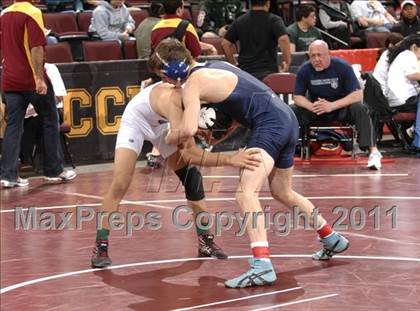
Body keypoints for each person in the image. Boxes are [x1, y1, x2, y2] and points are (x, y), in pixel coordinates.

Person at [148, 38, 349, 288]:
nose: (165, 82)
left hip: (270, 124)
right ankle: (331, 238)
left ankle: (262, 265)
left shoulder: (193, 83)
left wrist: (168, 136)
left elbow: (187, 129)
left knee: (245, 193)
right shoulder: (213, 66)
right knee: (282, 191)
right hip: (286, 119)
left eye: (164, 76)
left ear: (176, 68)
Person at [91, 82, 262, 268]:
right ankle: (101, 244)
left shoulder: (198, 103)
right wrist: (230, 159)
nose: (204, 138)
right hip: (137, 121)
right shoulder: (181, 111)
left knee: (192, 178)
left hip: (163, 123)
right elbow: (191, 155)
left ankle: (205, 240)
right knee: (121, 182)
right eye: (203, 134)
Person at [0, 0, 76, 188]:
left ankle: (8, 175)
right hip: (30, 80)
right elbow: (36, 48)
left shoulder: (4, 14)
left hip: (10, 79)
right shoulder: (32, 12)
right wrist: (39, 78)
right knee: (50, 120)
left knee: (13, 126)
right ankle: (53, 171)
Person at [292, 40, 383, 169]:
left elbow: (358, 95)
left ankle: (373, 151)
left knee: (360, 108)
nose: (316, 59)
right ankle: (284, 149)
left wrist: (332, 105)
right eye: (313, 56)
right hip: (316, 109)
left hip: (340, 108)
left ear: (328, 54)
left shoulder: (343, 66)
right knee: (291, 111)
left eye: (320, 55)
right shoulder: (304, 69)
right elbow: (297, 97)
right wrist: (311, 106)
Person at [221, 0, 291, 80]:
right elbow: (283, 39)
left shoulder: (240, 20)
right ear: (267, 3)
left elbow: (225, 44)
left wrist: (233, 64)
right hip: (268, 73)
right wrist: (287, 62)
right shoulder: (274, 20)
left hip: (246, 73)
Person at [385, 34, 420, 153]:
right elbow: (411, 75)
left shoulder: (403, 56)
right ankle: (415, 130)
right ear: (415, 47)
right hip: (402, 100)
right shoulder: (408, 55)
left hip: (399, 99)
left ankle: (414, 129)